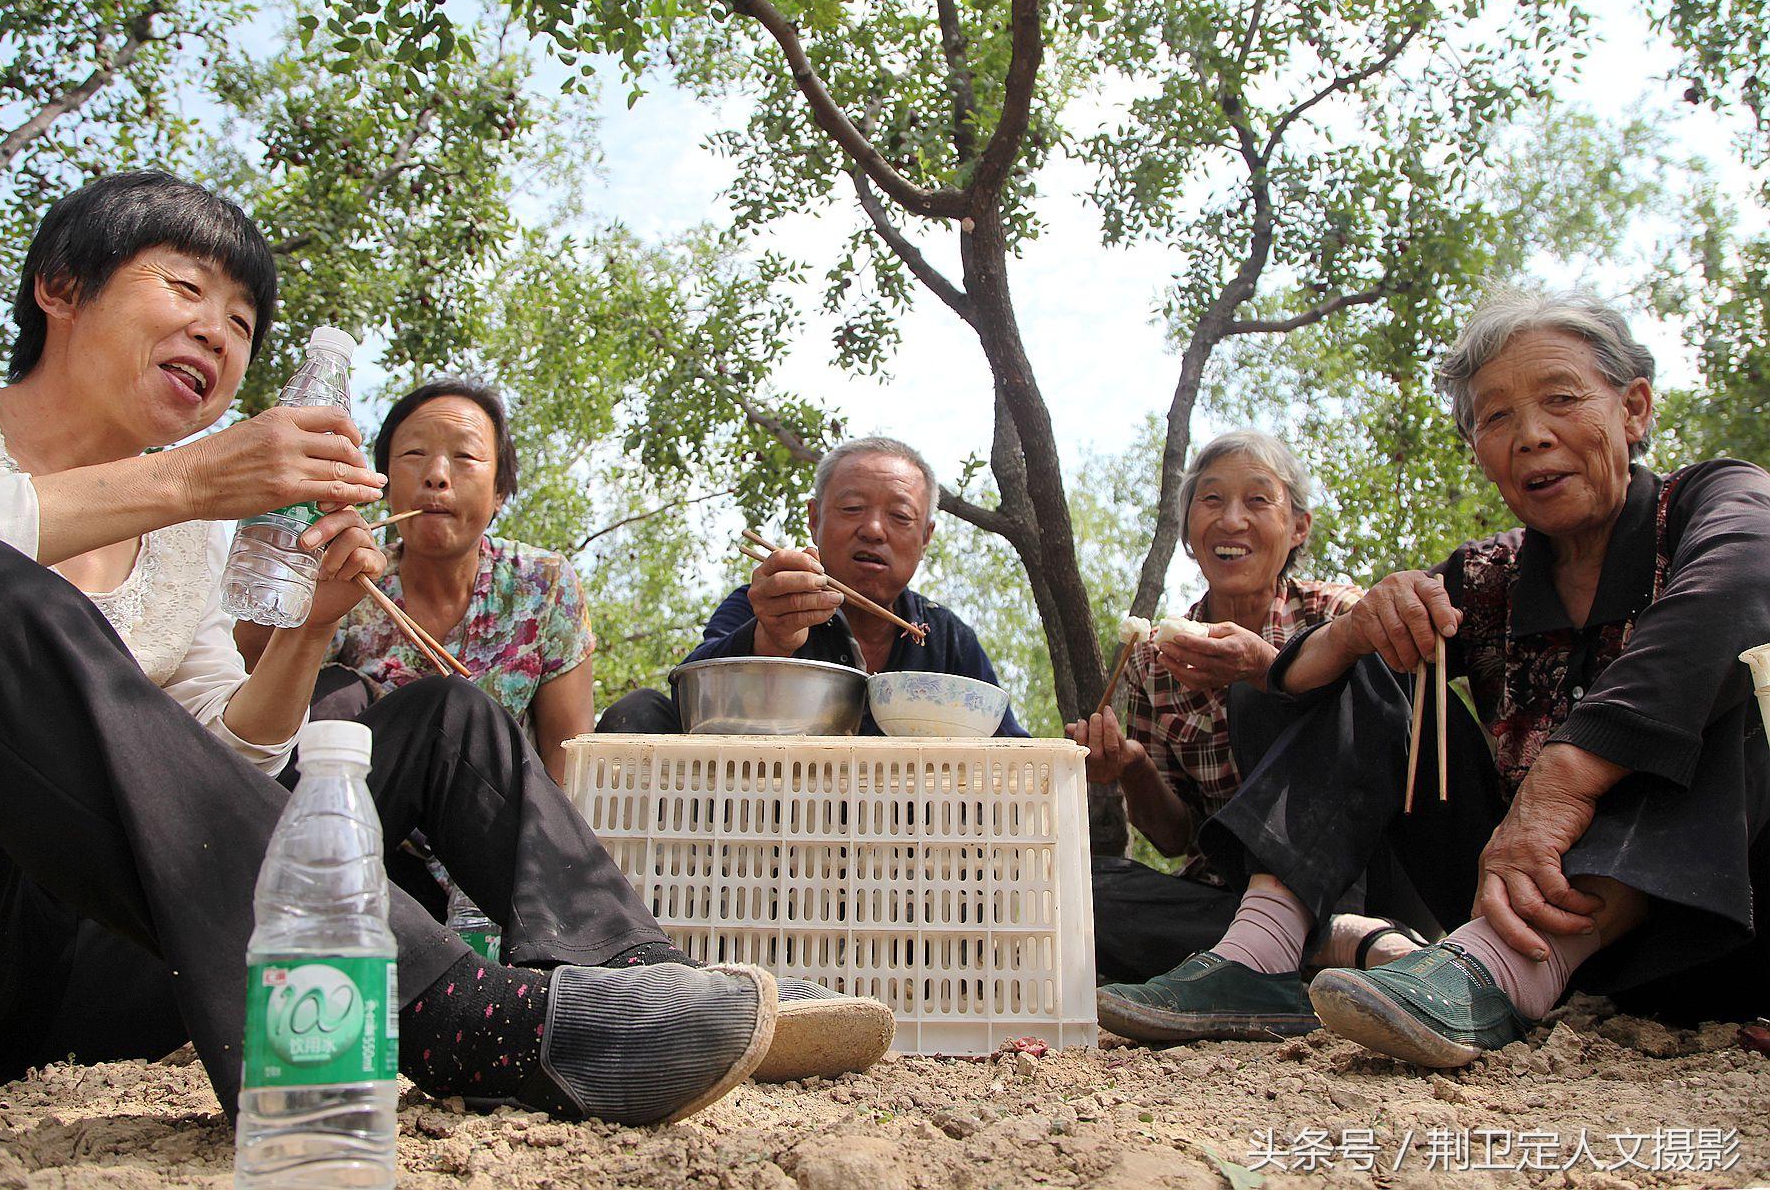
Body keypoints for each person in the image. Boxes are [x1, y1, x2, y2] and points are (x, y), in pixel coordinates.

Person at [0, 171, 883, 1124]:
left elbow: (220, 760)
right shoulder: (98, 473)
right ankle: (450, 1013)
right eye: (187, 290)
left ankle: (630, 981)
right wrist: (194, 480)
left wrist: (309, 627)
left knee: (444, 717)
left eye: (241, 323)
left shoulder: (189, 538)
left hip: (123, 960)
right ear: (63, 286)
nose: (216, 334)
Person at [1097, 288, 1770, 1065]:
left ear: (1634, 409)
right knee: (1364, 654)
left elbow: (1742, 586)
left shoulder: (1713, 504)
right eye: (1495, 418)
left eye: (1560, 399)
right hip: (1507, 900)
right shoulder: (1493, 574)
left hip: (1705, 921)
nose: (1531, 436)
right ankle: (1261, 952)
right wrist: (1355, 625)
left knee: (1740, 677)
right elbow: (1304, 678)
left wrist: (1566, 777)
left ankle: (1496, 964)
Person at [1066, 431, 1420, 998]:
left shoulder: (1341, 613)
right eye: (1210, 501)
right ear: (1187, 531)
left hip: (1356, 878)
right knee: (1072, 891)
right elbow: (1177, 837)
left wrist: (1265, 670)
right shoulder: (1152, 663)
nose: (1232, 520)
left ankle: (1299, 936)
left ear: (1298, 528)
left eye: (1258, 500)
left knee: (1263, 690)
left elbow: (1388, 740)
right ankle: (1335, 947)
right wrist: (1131, 768)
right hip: (1228, 893)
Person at [239, 377, 595, 786]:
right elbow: (249, 670)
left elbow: (568, 754)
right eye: (413, 453)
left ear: (499, 491)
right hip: (365, 808)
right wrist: (288, 555)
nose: (437, 476)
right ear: (384, 484)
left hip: (490, 823)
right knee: (339, 689)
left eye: (464, 456)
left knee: (457, 704)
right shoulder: (347, 574)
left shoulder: (542, 585)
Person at [597, 436, 1026, 737]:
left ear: (926, 537)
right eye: (852, 508)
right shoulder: (764, 602)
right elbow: (688, 697)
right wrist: (771, 637)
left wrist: (1087, 766)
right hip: (772, 837)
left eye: (900, 516)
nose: (874, 530)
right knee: (637, 713)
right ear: (814, 519)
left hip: (907, 852)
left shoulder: (949, 640)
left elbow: (1014, 753)